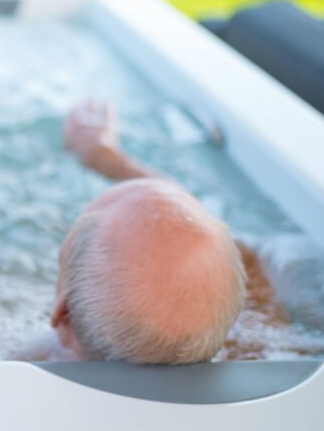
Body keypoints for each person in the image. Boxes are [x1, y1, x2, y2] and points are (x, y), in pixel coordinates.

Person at [47, 99, 285, 364]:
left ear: (64, 316)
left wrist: (100, 157)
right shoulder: (258, 352)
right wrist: (108, 160)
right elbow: (245, 256)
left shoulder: (7, 360)